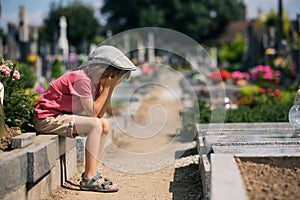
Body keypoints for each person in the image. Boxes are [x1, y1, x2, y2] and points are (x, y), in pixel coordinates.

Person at [33, 45, 136, 192]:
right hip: (47, 118)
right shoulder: (82, 79)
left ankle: (92, 171)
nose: (117, 81)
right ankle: (89, 177)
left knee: (104, 124)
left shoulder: (96, 83)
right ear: (105, 71)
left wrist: (109, 88)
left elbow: (100, 115)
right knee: (95, 125)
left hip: (60, 116)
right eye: (116, 77)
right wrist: (108, 88)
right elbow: (93, 114)